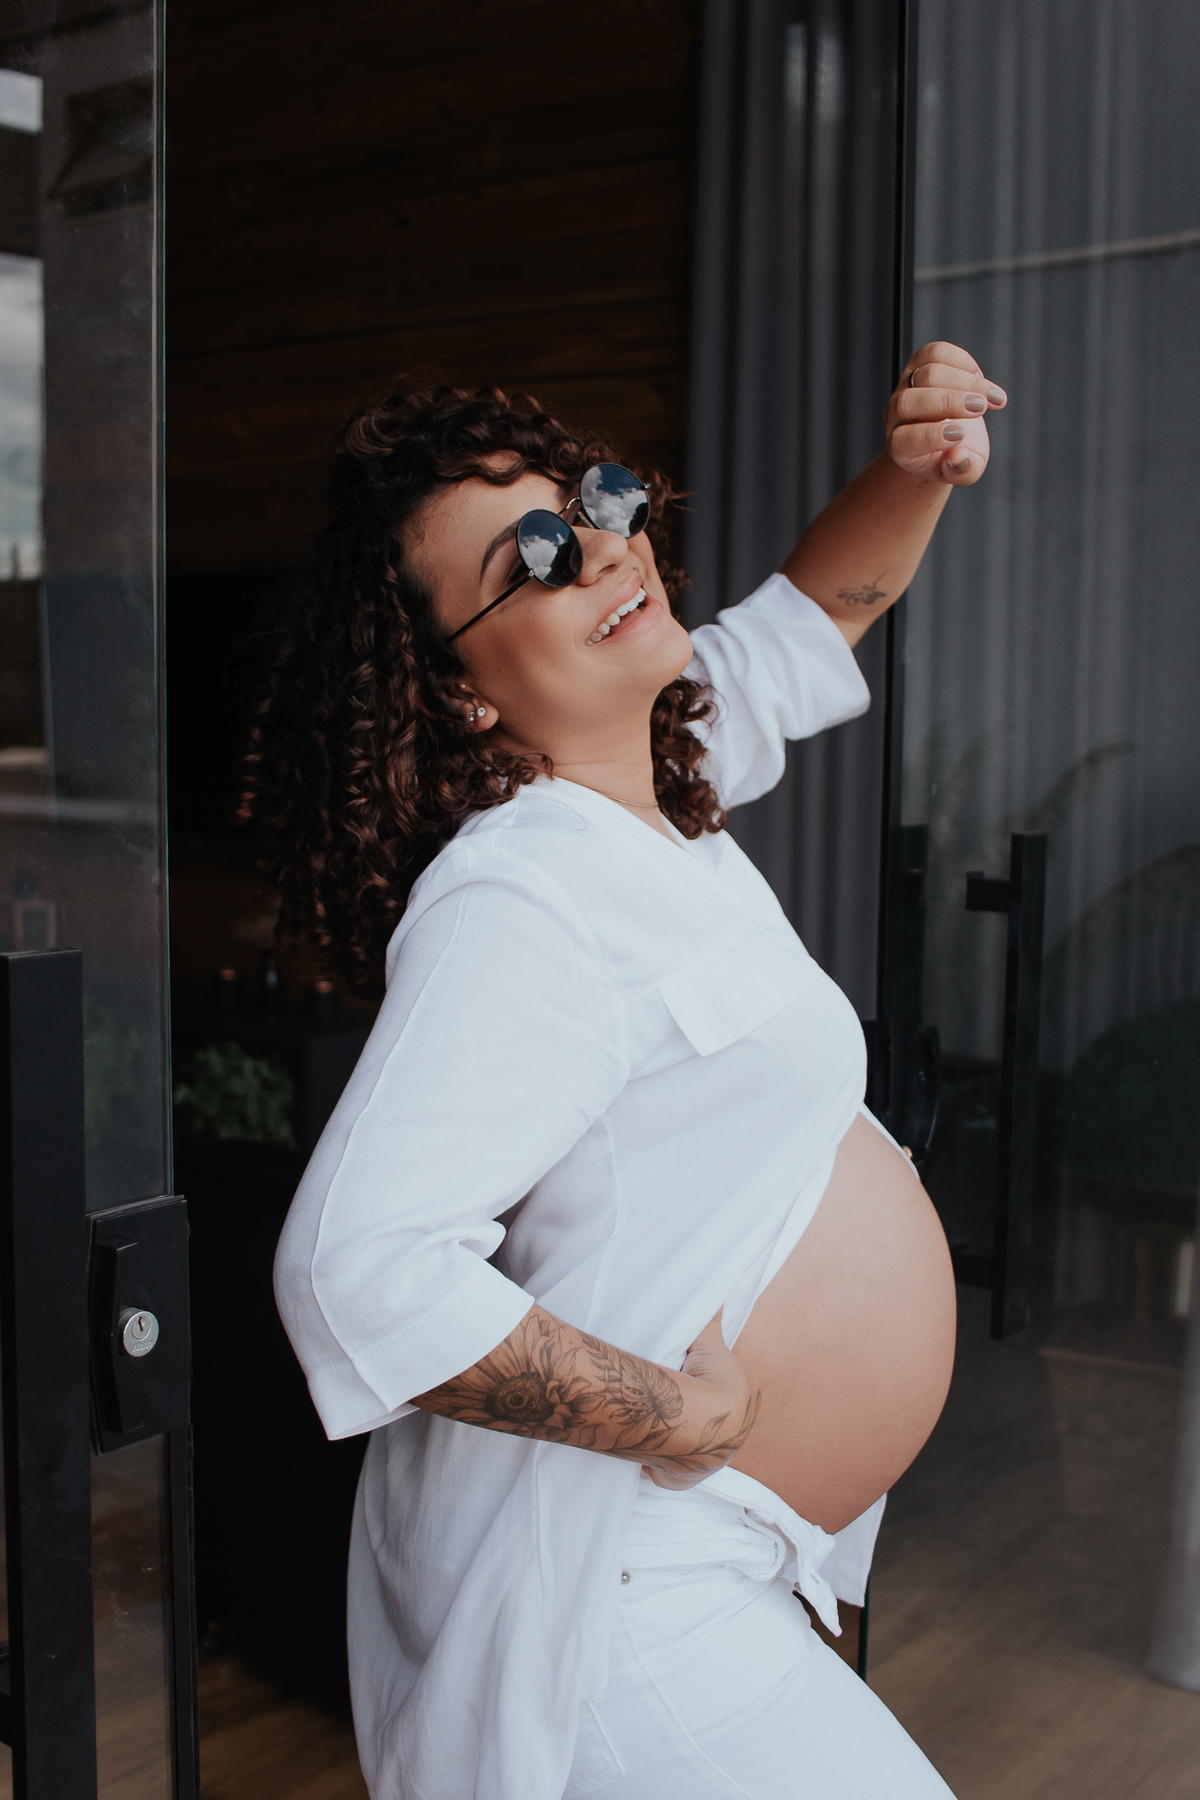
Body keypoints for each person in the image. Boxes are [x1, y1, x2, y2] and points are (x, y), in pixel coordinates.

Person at [245, 341, 1007, 1800]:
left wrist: (916, 469)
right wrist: (684, 1415)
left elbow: (816, 614)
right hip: (621, 1610)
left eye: (593, 501)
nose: (602, 546)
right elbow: (357, 1271)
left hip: (694, 1579)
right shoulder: (520, 889)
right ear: (460, 693)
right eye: (532, 555)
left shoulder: (656, 785)